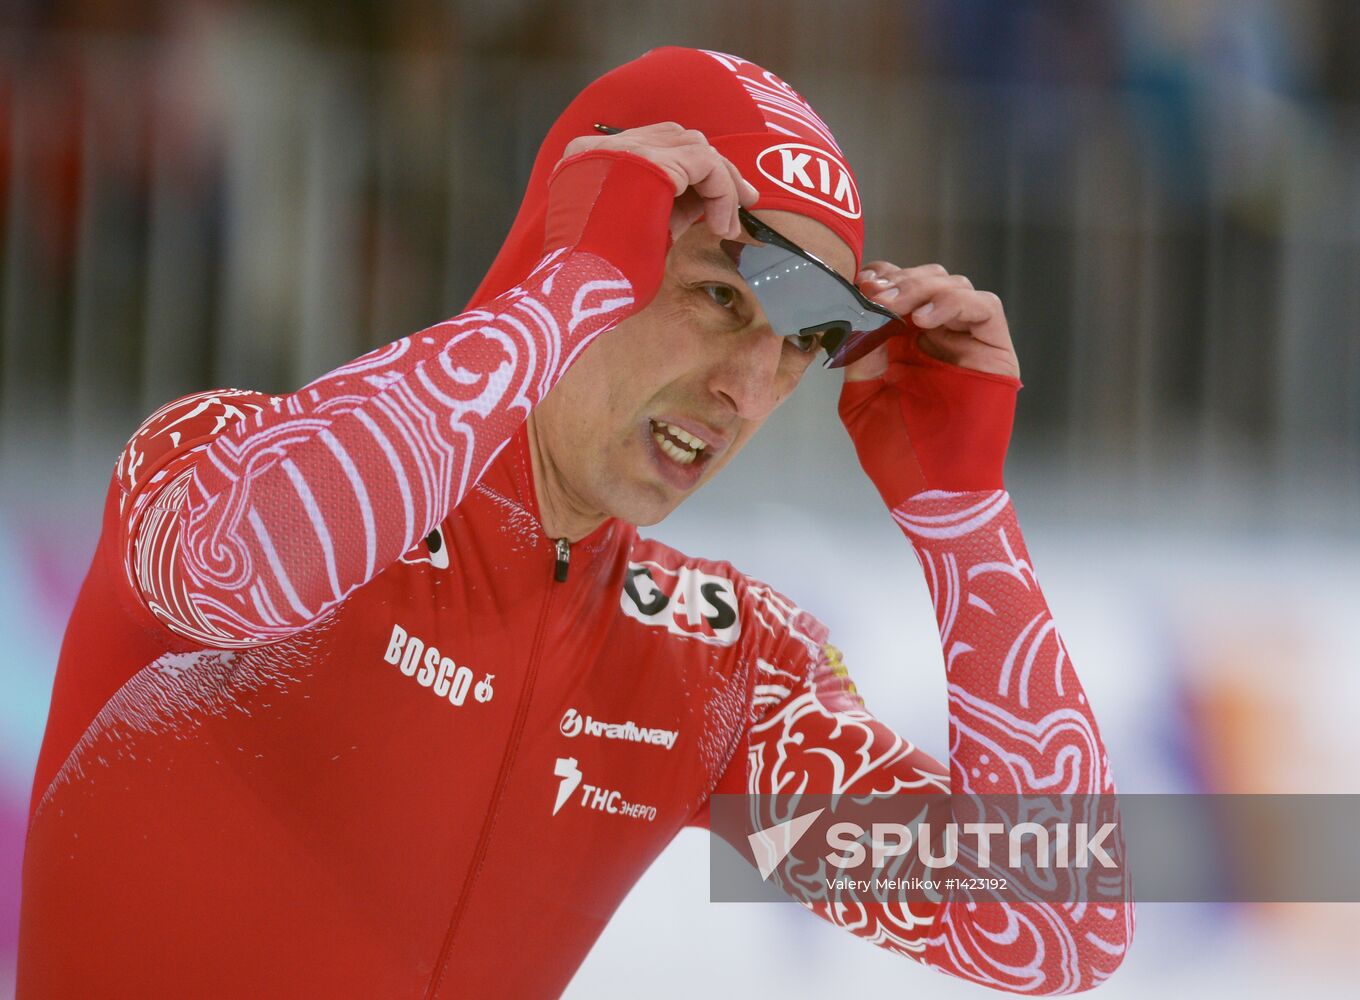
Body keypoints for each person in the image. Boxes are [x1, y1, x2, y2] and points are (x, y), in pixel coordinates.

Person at [17, 46, 1131, 997]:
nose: (746, 387)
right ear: (586, 246)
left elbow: (1054, 923)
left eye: (800, 339)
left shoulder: (711, 661)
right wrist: (562, 286)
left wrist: (961, 512)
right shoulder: (228, 461)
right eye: (718, 296)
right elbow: (245, 567)